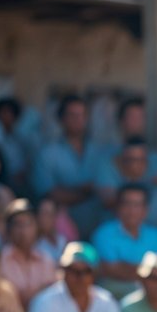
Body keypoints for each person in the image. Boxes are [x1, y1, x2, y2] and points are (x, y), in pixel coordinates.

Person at [34, 95, 103, 236]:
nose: (78, 120)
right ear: (61, 119)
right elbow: (50, 194)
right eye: (72, 115)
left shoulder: (101, 152)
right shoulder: (47, 153)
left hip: (98, 229)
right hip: (61, 233)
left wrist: (74, 192)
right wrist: (88, 191)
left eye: (82, 115)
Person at [91, 183, 157, 298]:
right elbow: (111, 270)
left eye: (137, 205)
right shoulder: (103, 234)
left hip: (155, 288)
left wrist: (128, 268)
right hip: (116, 292)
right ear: (118, 207)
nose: (132, 210)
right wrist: (151, 272)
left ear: (146, 210)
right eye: (127, 204)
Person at [95, 138, 157, 232]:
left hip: (148, 238)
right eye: (131, 159)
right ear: (121, 161)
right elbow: (106, 199)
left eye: (140, 160)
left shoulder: (156, 193)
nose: (135, 165)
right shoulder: (110, 179)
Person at [0, 199, 57, 309]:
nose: (23, 230)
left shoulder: (46, 259)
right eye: (18, 224)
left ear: (36, 227)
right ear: (8, 229)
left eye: (28, 223)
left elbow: (52, 294)